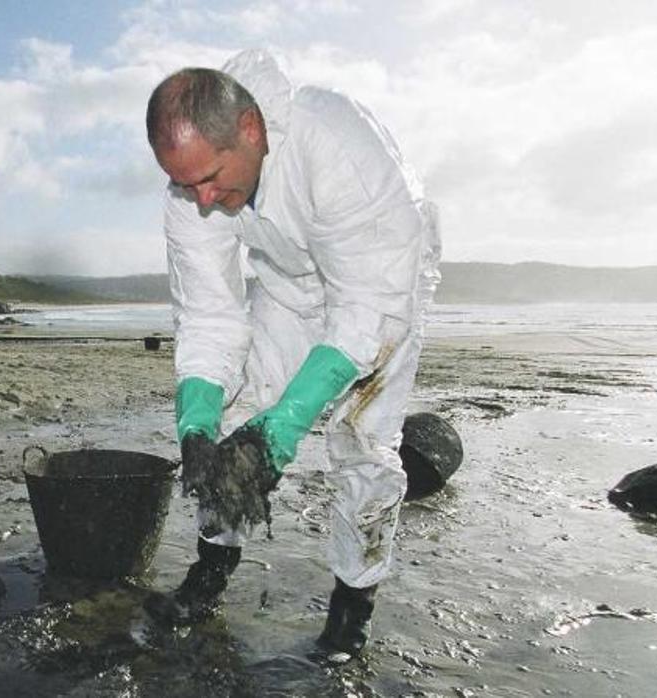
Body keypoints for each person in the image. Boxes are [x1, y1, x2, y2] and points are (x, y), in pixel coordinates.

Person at [142, 49, 441, 659]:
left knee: (360, 443)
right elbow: (208, 313)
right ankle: (212, 569)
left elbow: (365, 310)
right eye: (183, 183)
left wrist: (285, 427)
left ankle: (351, 607)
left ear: (251, 130)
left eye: (210, 178)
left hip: (383, 285)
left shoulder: (338, 147)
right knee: (232, 423)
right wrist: (195, 420)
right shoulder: (192, 189)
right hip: (287, 284)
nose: (199, 199)